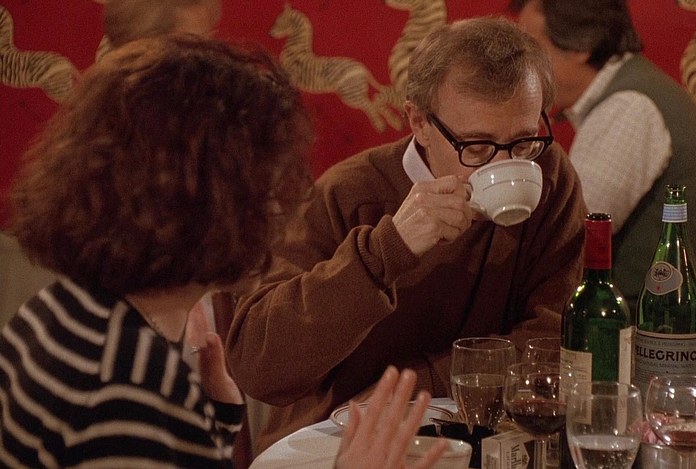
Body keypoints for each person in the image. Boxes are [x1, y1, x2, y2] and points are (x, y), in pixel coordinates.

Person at [0, 34, 444, 468]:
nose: (277, 207)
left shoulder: (58, 309)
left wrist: (211, 422)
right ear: (202, 200)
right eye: (263, 181)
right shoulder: (127, 385)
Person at [225, 16, 587, 452]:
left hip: (489, 437)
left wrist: (418, 386)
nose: (504, 166)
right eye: (476, 147)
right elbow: (258, 365)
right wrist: (387, 250)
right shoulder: (348, 193)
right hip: (340, 442)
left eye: (523, 141)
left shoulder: (550, 176)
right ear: (419, 122)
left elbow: (555, 339)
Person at [513, 0, 696, 311]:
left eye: (533, 48)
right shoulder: (631, 91)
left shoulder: (628, 106)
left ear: (580, 45)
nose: (524, 66)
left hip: (648, 321)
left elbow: (568, 235)